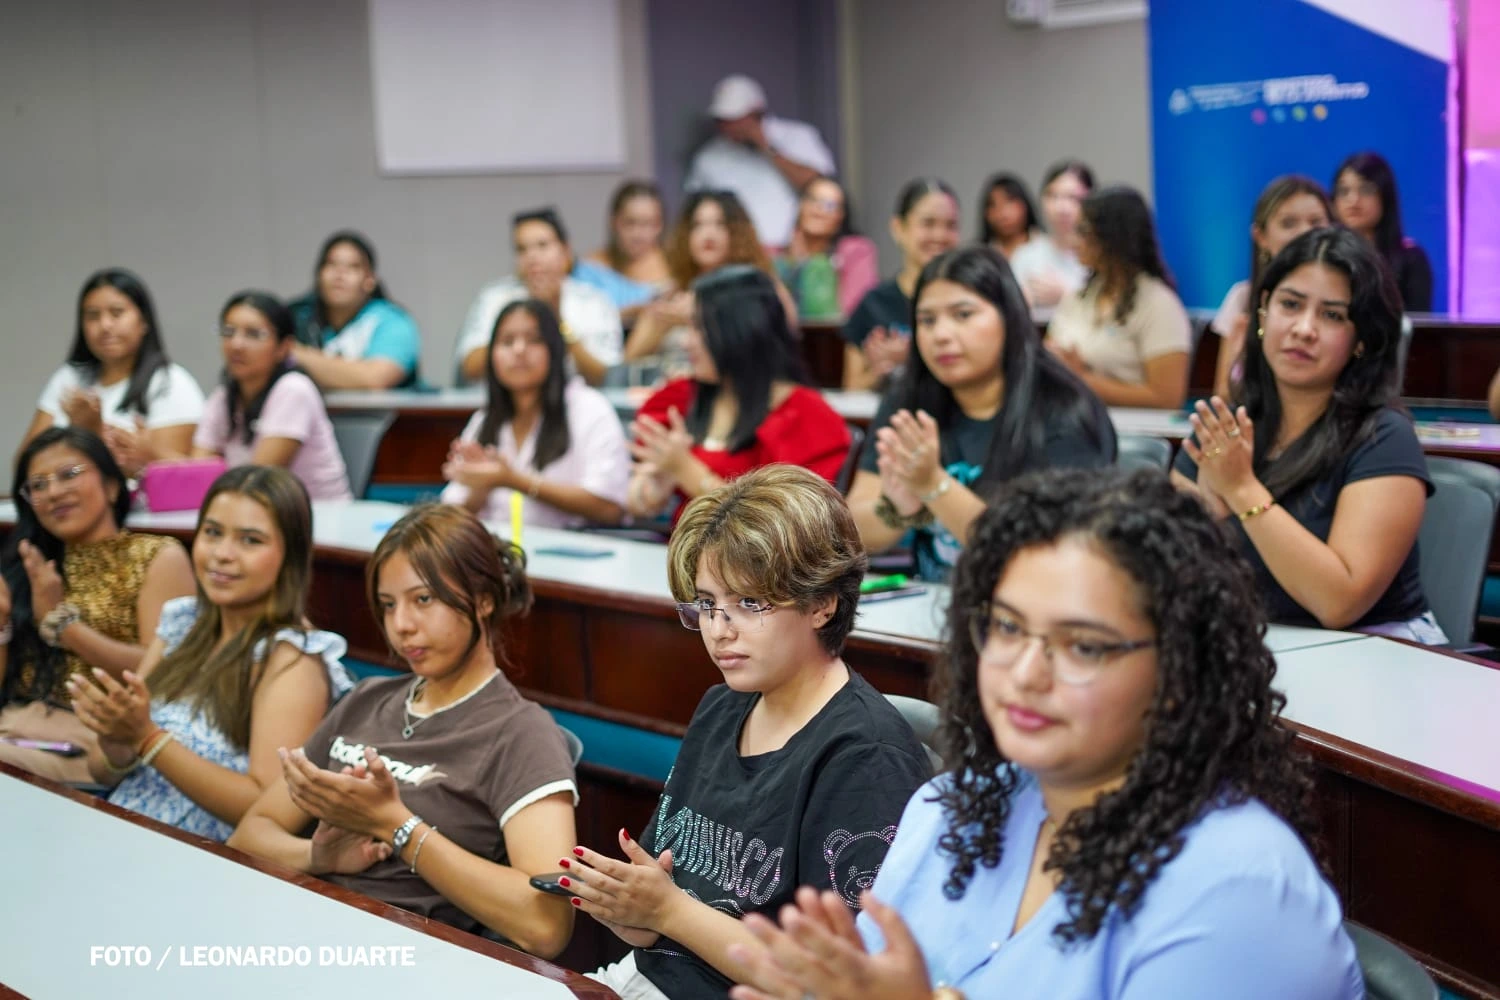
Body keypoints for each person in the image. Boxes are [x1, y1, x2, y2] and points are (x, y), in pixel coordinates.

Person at [726, 467, 1363, 1000]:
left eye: (1083, 645)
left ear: (1180, 670)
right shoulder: (949, 809)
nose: (1024, 673)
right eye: (1007, 628)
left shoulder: (1238, 891)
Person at [566, 464, 931, 1000]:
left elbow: (837, 982)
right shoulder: (722, 705)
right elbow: (658, 913)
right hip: (641, 979)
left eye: (749, 604)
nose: (718, 629)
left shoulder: (867, 757)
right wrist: (628, 907)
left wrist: (668, 911)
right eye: (707, 604)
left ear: (822, 602)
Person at [227, 504, 578, 956]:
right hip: (303, 926)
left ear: (483, 599)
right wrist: (318, 857)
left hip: (406, 954)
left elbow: (546, 924)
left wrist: (396, 825)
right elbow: (249, 835)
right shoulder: (367, 698)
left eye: (423, 599)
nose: (401, 625)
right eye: (389, 605)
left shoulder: (522, 732)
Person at [1172, 228, 1444, 641]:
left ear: (1361, 340)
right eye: (1290, 304)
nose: (1303, 328)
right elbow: (1170, 571)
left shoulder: (1384, 437)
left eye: (1332, 315)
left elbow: (1339, 602)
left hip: (1377, 647)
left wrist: (1242, 490)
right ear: (1263, 311)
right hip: (1257, 642)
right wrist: (1211, 517)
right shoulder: (1225, 426)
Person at [68, 467, 352, 840]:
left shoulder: (292, 659)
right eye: (213, 532)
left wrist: (147, 739)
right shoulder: (182, 623)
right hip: (121, 830)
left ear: (290, 556)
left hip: (202, 855)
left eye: (250, 540)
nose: (222, 554)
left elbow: (264, 811)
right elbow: (100, 771)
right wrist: (117, 740)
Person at [848, 247, 1113, 581]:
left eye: (963, 314)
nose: (941, 335)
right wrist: (899, 512)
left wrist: (933, 484)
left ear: (1009, 317)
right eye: (927, 320)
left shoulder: (1064, 409)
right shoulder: (910, 400)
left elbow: (1034, 556)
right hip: (930, 603)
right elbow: (853, 532)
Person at [0, 428, 195, 782]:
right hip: (16, 724)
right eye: (38, 485)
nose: (53, 492)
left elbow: (167, 673)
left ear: (112, 486)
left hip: (101, 743)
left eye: (69, 474)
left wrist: (65, 627)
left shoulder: (156, 556)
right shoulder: (26, 565)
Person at [626, 267, 850, 526]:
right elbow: (635, 500)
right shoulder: (680, 397)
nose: (686, 342)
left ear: (741, 330)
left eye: (700, 328)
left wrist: (688, 472)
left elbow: (786, 528)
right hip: (678, 547)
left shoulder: (807, 417)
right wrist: (651, 492)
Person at [441, 299, 629, 528]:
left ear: (555, 350)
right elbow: (452, 512)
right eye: (507, 341)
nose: (519, 350)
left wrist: (513, 480)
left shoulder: (590, 408)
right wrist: (479, 489)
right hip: (495, 547)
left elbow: (610, 508)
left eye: (534, 340)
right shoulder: (484, 419)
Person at [21, 268, 205, 479]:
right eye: (93, 316)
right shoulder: (69, 377)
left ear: (144, 321)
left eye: (117, 313)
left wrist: (91, 432)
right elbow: (25, 466)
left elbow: (173, 481)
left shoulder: (171, 383)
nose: (105, 325)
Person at [192, 291, 353, 501]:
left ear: (284, 347)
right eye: (229, 332)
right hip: (252, 509)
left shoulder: (294, 389)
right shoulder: (223, 396)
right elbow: (197, 473)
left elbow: (257, 481)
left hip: (316, 514)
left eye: (253, 334)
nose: (236, 344)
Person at [625, 191, 797, 384]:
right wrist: (661, 325)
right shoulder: (672, 293)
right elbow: (627, 362)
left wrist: (698, 315)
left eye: (719, 224)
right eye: (698, 225)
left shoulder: (760, 285)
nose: (708, 234)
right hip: (670, 389)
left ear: (737, 232)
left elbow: (782, 334)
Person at [1044, 187, 1192, 409]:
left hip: (1131, 427)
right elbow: (1050, 354)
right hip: (1073, 418)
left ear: (1113, 236)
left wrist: (1082, 379)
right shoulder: (1077, 298)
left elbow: (1167, 398)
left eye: (1083, 230)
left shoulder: (1159, 304)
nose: (1074, 240)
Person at [454, 208, 622, 388]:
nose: (532, 257)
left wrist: (558, 321)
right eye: (522, 249)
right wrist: (511, 337)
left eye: (542, 245)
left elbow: (606, 378)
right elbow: (469, 368)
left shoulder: (594, 301)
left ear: (565, 251)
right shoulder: (494, 298)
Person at [1211, 176, 1333, 400]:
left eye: (1316, 222)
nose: (1305, 233)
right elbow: (1223, 395)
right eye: (1289, 223)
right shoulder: (1242, 299)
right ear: (1261, 237)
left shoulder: (1349, 297)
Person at [685, 74, 837, 246]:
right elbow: (695, 208)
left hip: (793, 249)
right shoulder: (708, 156)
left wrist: (767, 148)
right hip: (735, 251)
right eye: (722, 120)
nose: (728, 127)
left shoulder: (797, 137)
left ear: (756, 113)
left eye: (735, 119)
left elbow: (818, 186)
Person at [840, 179, 962, 391]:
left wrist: (913, 358)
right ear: (898, 228)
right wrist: (882, 369)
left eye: (950, 225)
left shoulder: (969, 301)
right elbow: (853, 388)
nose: (940, 236)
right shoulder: (873, 304)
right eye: (928, 223)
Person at [287, 231, 422, 390]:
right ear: (319, 274)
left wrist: (292, 352)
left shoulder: (392, 321)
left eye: (352, 267)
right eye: (331, 264)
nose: (339, 274)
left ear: (370, 281)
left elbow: (375, 378)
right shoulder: (298, 317)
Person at [1333, 151, 1433, 312]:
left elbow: (1418, 321)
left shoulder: (1410, 260)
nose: (1353, 200)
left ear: (1385, 197)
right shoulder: (1327, 256)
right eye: (1344, 191)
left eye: (1365, 190)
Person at [774, 175, 879, 319]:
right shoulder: (774, 255)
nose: (818, 209)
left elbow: (856, 310)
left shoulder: (855, 251)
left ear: (841, 216)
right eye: (812, 199)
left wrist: (808, 265)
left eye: (829, 205)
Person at [577, 180, 673, 322]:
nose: (638, 234)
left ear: (659, 225)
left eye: (647, 223)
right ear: (614, 222)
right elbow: (579, 319)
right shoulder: (590, 269)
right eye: (630, 222)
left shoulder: (676, 268)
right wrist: (631, 312)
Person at [1010, 160, 1096, 309]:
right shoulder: (1026, 255)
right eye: (1053, 196)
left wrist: (1065, 295)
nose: (1061, 208)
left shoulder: (1100, 258)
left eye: (1073, 198)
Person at [977, 173, 1042, 260]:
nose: (1002, 213)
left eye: (1009, 201)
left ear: (1025, 205)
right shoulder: (978, 255)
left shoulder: (1048, 248)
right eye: (993, 205)